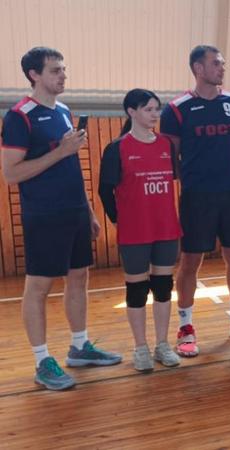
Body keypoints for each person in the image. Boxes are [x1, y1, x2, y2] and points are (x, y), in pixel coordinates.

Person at [1, 47, 121, 390]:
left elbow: (70, 165)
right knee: (38, 287)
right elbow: (11, 173)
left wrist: (88, 210)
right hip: (44, 214)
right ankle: (42, 361)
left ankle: (80, 346)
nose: (63, 75)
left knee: (79, 277)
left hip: (74, 211)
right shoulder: (19, 117)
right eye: (55, 70)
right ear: (34, 75)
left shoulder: (64, 111)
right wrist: (61, 151)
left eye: (63, 69)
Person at [160, 45, 230, 356]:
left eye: (222, 63)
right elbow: (172, 156)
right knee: (190, 261)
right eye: (216, 63)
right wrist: (196, 178)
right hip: (196, 196)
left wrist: (223, 173)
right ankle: (186, 327)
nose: (222, 68)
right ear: (198, 69)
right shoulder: (176, 109)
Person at [98, 89, 182, 371]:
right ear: (131, 112)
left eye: (157, 109)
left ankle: (162, 344)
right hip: (135, 231)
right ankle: (141, 347)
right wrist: (118, 219)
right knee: (136, 290)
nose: (155, 114)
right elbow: (104, 190)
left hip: (166, 228)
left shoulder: (166, 145)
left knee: (163, 287)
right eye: (148, 109)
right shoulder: (117, 148)